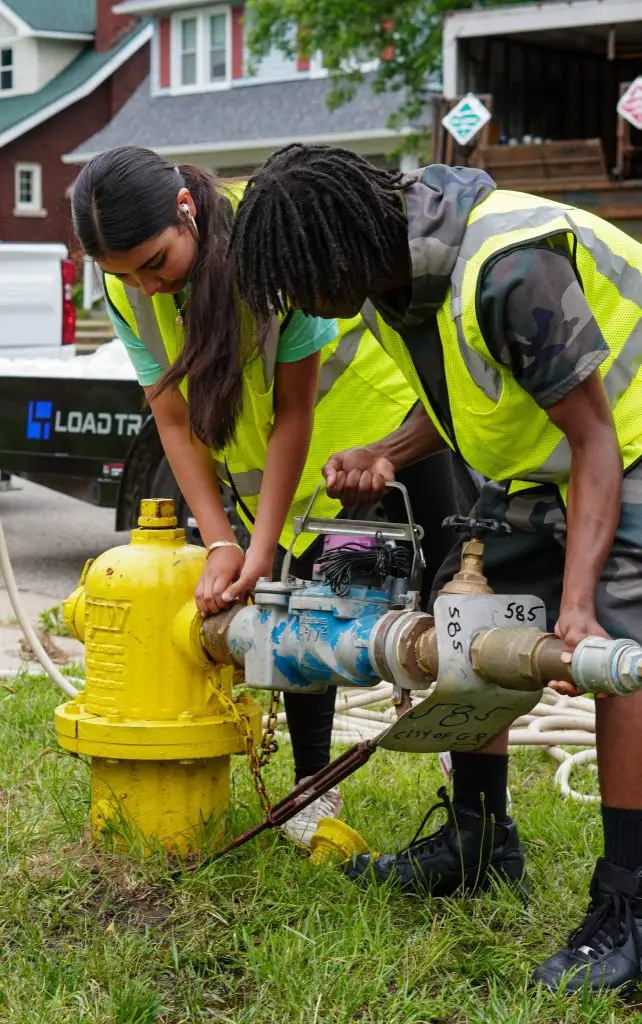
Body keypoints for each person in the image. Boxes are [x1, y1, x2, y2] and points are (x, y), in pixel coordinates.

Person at [228, 144, 642, 993]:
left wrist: (577, 606)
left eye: (300, 284)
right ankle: (478, 843)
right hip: (552, 463)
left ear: (338, 249)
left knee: (619, 642)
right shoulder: (395, 278)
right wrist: (386, 449)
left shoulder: (508, 266)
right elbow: (469, 388)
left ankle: (630, 905)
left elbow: (595, 436)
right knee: (467, 613)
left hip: (626, 445)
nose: (300, 306)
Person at [70, 146, 463, 848]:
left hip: (381, 425)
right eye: (123, 274)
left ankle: (473, 794)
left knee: (449, 595)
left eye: (155, 263)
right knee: (304, 608)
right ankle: (313, 791)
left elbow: (294, 410)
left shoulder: (270, 236)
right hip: (282, 465)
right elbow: (172, 420)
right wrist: (228, 542)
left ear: (185, 212)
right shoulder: (130, 285)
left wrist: (260, 547)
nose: (145, 287)